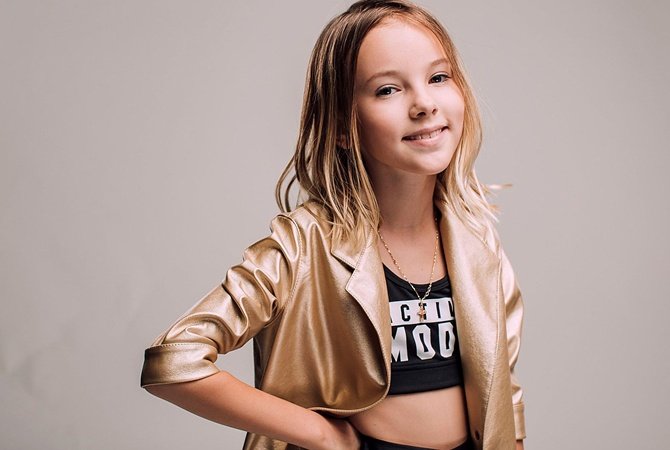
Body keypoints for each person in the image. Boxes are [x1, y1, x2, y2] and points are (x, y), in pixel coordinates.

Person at [140, 1, 526, 449]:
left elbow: (504, 391)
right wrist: (319, 434)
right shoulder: (302, 247)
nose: (424, 104)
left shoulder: (477, 242)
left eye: (438, 77)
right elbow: (173, 362)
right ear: (343, 125)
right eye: (387, 90)